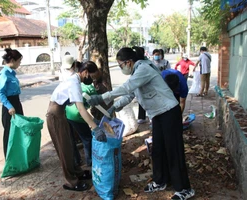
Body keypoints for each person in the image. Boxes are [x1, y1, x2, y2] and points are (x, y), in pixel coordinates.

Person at [87, 47, 195, 200]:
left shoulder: (144, 69)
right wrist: (114, 106)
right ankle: (160, 181)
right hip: (158, 115)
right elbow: (130, 95)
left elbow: (127, 87)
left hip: (169, 112)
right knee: (158, 150)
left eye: (120, 65)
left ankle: (184, 188)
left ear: (129, 62)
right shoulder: (136, 73)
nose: (121, 68)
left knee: (173, 150)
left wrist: (102, 97)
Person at [46, 60, 106, 192]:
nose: (92, 80)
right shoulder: (74, 83)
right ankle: (71, 182)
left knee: (69, 147)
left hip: (60, 113)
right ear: (85, 72)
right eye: (91, 76)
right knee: (65, 150)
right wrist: (94, 127)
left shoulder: (75, 80)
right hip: (55, 115)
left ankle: (78, 173)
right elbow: (80, 108)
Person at [0, 48, 24, 158]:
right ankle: (9, 159)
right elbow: (1, 93)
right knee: (9, 133)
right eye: (19, 61)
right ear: (12, 60)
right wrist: (9, 106)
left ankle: (19, 157)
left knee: (19, 131)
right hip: (10, 107)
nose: (20, 63)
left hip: (17, 103)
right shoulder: (4, 74)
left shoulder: (12, 73)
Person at [66, 82, 97, 167]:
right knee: (87, 139)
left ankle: (77, 161)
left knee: (71, 139)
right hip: (77, 115)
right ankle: (90, 161)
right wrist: (94, 122)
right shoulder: (90, 88)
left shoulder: (79, 84)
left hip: (67, 113)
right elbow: (95, 103)